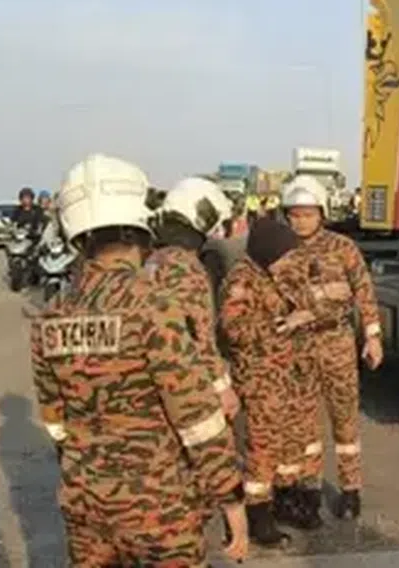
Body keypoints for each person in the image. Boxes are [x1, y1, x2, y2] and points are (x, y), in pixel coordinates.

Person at [29, 153, 248, 566]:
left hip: (86, 507)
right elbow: (197, 418)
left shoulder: (50, 318)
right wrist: (231, 499)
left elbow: (56, 422)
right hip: (159, 511)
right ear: (140, 228)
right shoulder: (155, 308)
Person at [281, 174, 384, 520]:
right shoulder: (281, 252)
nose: (301, 221)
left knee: (345, 420)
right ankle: (310, 488)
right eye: (294, 215)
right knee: (304, 422)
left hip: (337, 342)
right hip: (299, 346)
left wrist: (372, 336)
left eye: (308, 214)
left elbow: (363, 291)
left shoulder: (343, 248)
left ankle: (351, 490)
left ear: (321, 214)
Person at [218, 216, 319, 547]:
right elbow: (233, 330)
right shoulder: (241, 280)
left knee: (288, 444)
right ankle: (258, 515)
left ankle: (284, 502)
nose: (288, 262)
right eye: (284, 256)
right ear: (268, 252)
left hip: (285, 376)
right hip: (259, 378)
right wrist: (281, 323)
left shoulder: (272, 274)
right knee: (261, 448)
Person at [147, 176, 240, 420]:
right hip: (183, 382)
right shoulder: (185, 266)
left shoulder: (151, 259)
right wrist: (222, 387)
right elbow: (199, 336)